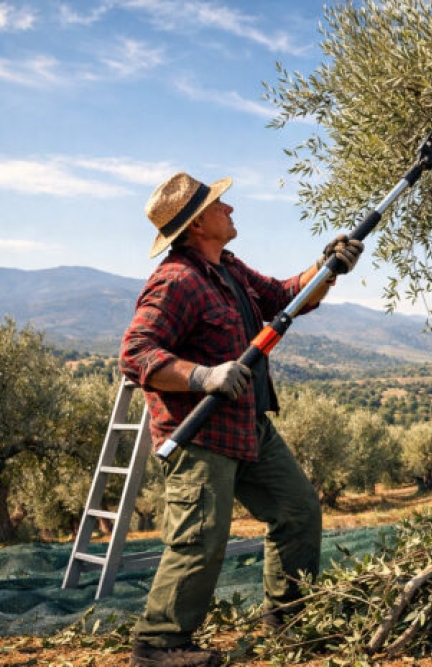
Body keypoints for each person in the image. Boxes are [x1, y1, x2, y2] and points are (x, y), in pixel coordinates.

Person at [120, 172, 363, 667]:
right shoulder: (176, 281)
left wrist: (327, 267)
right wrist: (203, 376)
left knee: (297, 511)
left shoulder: (228, 268)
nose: (229, 210)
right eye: (218, 206)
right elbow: (136, 353)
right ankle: (158, 647)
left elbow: (283, 297)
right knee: (200, 541)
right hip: (201, 436)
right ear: (195, 227)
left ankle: (288, 620)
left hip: (248, 425)